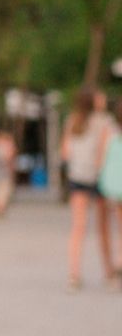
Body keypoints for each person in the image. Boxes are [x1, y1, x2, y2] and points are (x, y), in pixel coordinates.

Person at [62, 87, 112, 292]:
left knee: (78, 227)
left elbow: (65, 152)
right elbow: (104, 152)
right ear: (93, 100)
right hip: (97, 179)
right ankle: (109, 272)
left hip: (77, 177)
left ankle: (74, 274)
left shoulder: (72, 120)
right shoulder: (104, 121)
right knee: (103, 229)